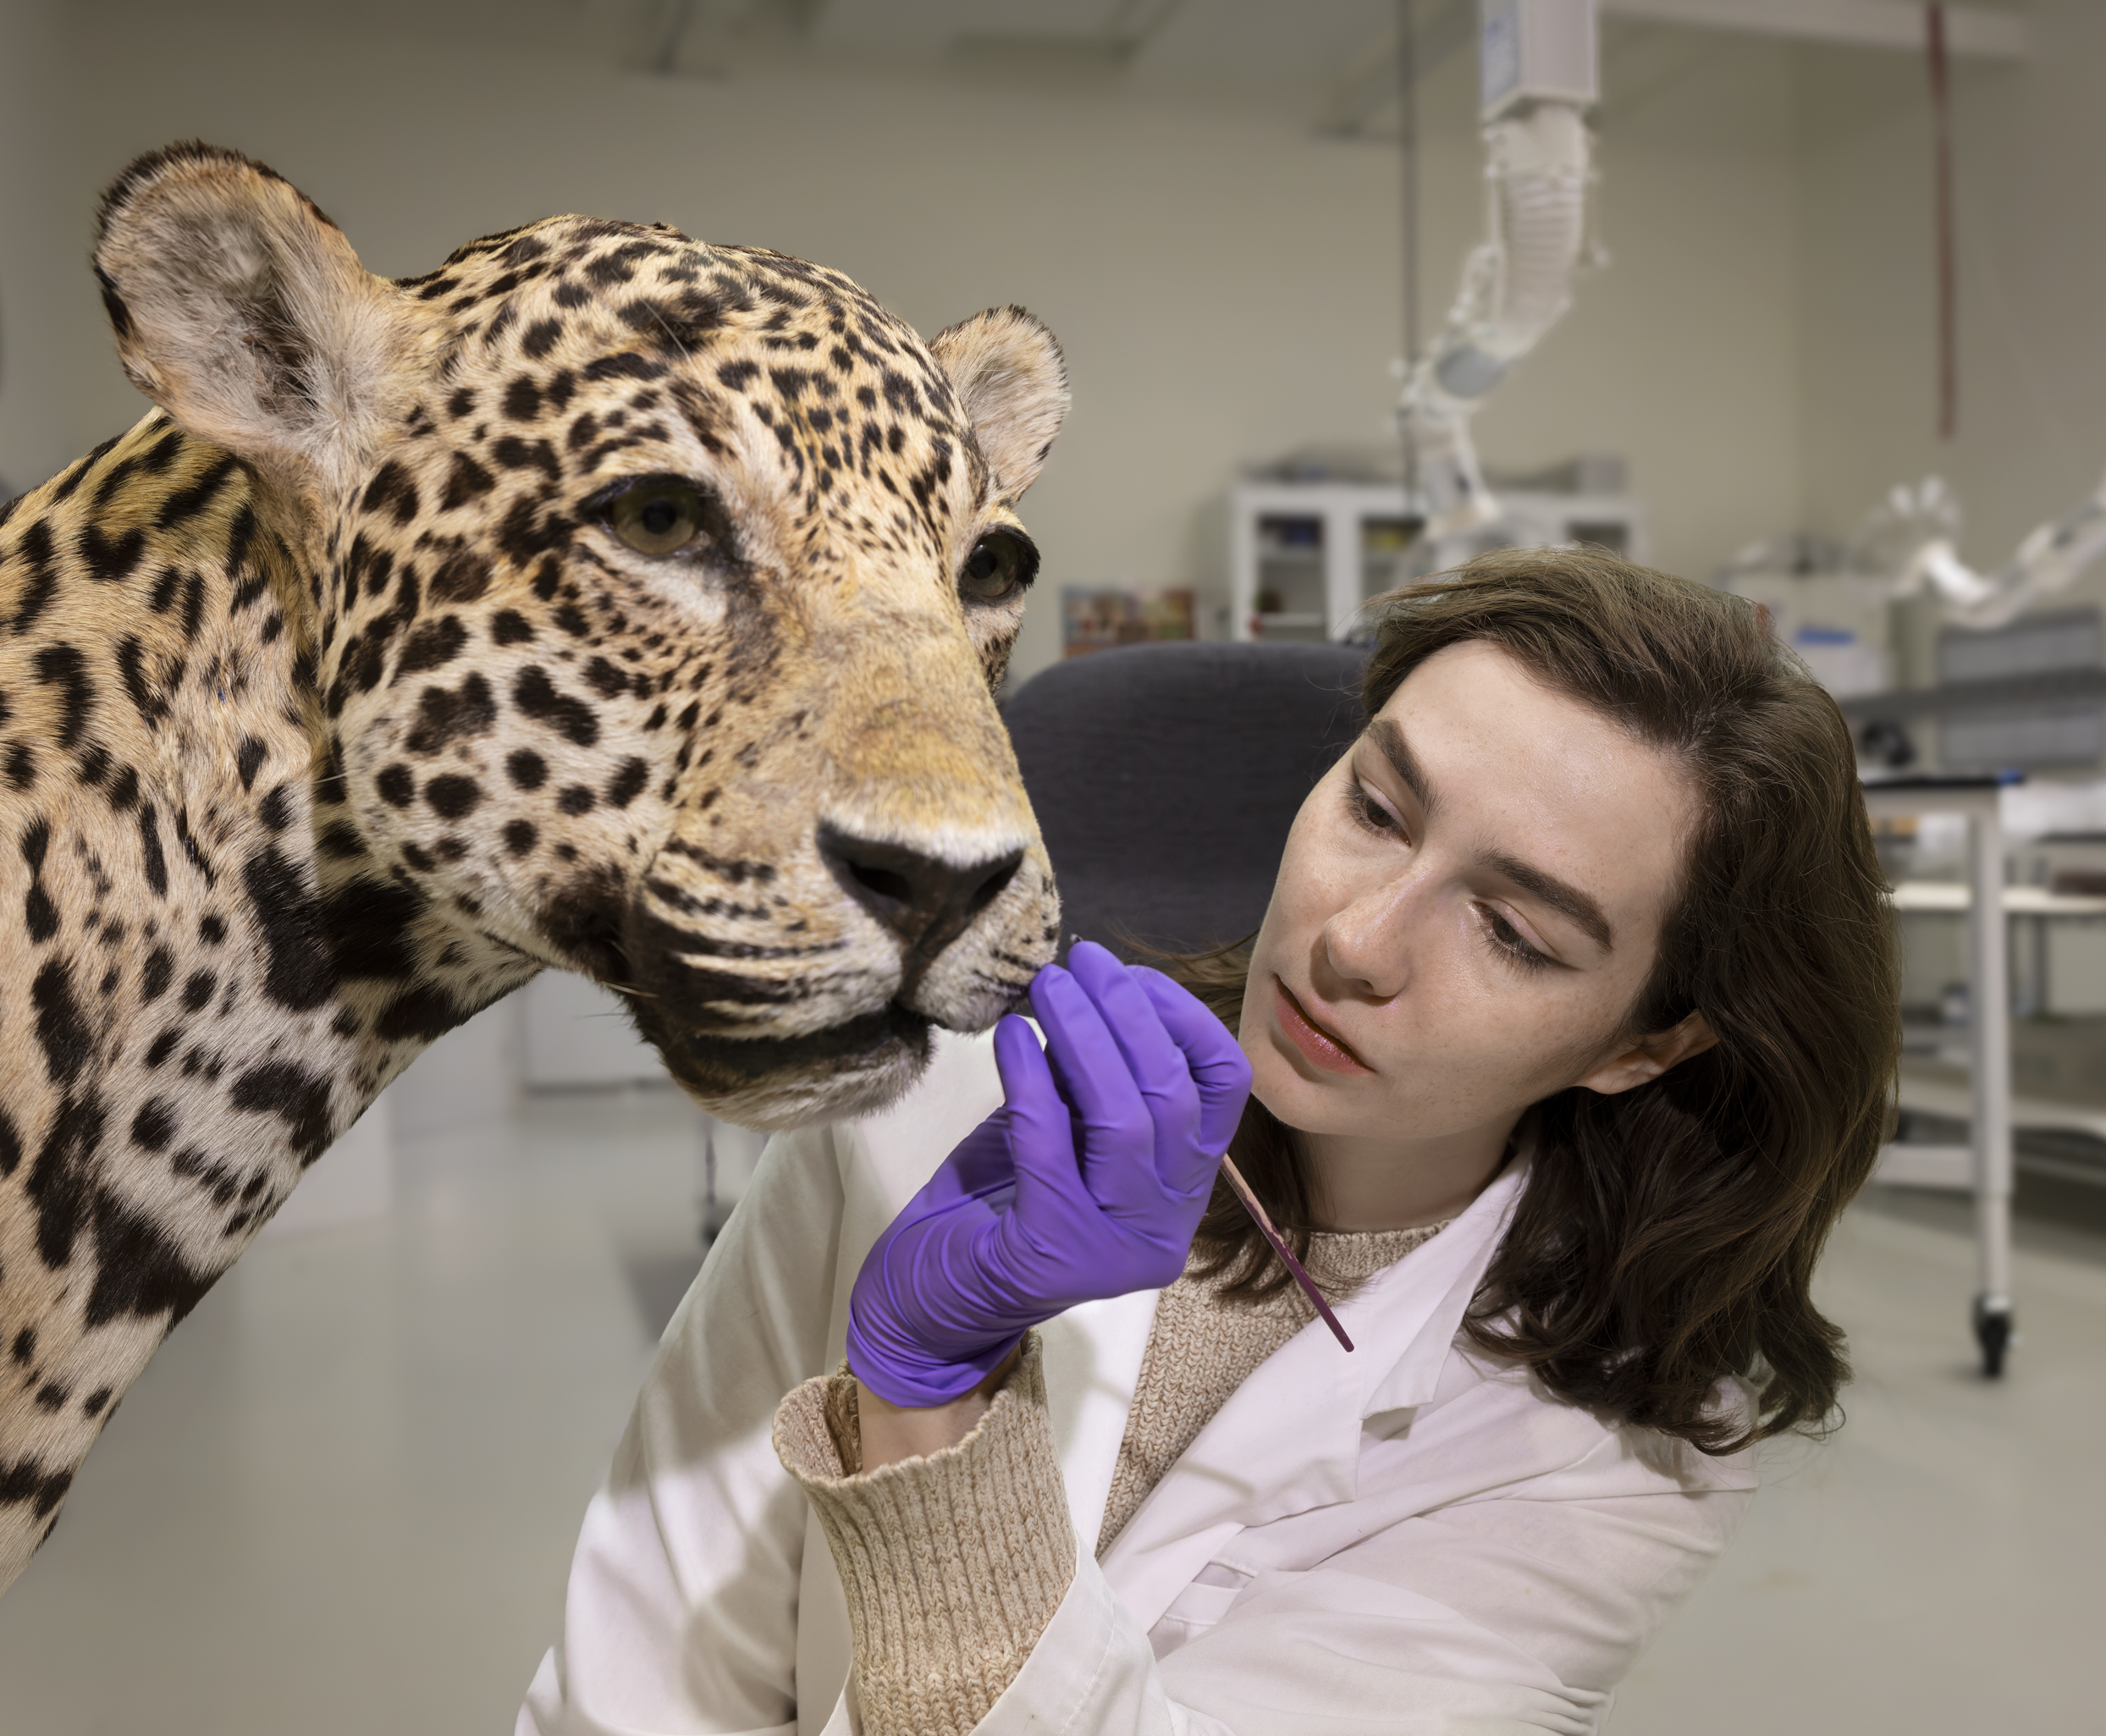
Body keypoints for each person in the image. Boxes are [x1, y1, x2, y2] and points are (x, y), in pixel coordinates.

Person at [515, 551, 1902, 1736]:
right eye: (1375, 808)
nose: (1356, 943)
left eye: (1515, 932)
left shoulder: (1607, 1458)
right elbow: (645, 1662)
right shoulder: (938, 1101)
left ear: (1645, 1043)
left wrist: (936, 1399)